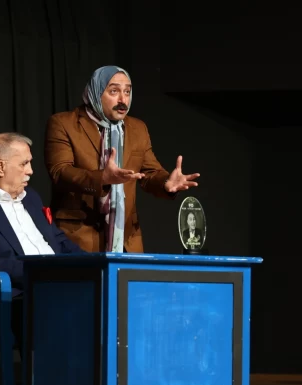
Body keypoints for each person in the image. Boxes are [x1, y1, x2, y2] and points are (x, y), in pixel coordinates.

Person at [44, 65, 200, 253]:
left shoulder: (137, 128)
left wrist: (166, 182)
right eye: (114, 91)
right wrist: (102, 178)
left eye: (127, 92)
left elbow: (150, 173)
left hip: (127, 239)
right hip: (78, 236)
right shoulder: (63, 123)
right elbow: (60, 172)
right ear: (96, 92)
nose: (123, 100)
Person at [0, 133, 83, 350]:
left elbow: (58, 241)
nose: (31, 171)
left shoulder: (31, 198)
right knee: (61, 306)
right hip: (9, 296)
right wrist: (40, 272)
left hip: (54, 285)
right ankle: (56, 372)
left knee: (108, 296)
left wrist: (94, 264)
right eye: (24, 163)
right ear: (1, 167)